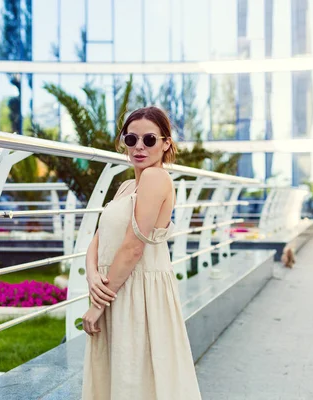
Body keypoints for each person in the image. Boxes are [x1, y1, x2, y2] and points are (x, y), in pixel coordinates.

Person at [81, 106, 202, 399]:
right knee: (122, 377)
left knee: (137, 379)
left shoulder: (156, 178)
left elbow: (134, 246)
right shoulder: (125, 186)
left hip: (138, 295)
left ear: (165, 143)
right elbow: (99, 238)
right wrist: (92, 274)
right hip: (115, 288)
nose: (138, 147)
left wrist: (99, 303)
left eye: (149, 140)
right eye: (131, 138)